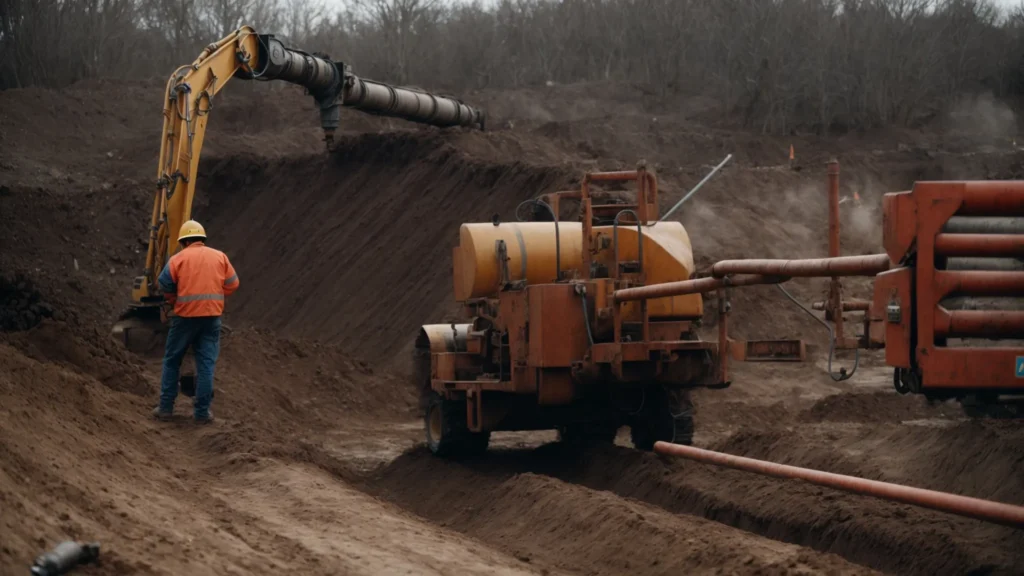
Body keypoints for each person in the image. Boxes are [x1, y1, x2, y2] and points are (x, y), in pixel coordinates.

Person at [152, 220, 239, 424]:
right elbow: (233, 284)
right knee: (206, 364)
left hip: (184, 318)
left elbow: (163, 283)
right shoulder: (220, 257)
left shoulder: (178, 259)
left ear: (183, 241)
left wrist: (174, 300)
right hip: (211, 319)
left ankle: (165, 408)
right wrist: (217, 294)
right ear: (202, 239)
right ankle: (201, 413)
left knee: (172, 360)